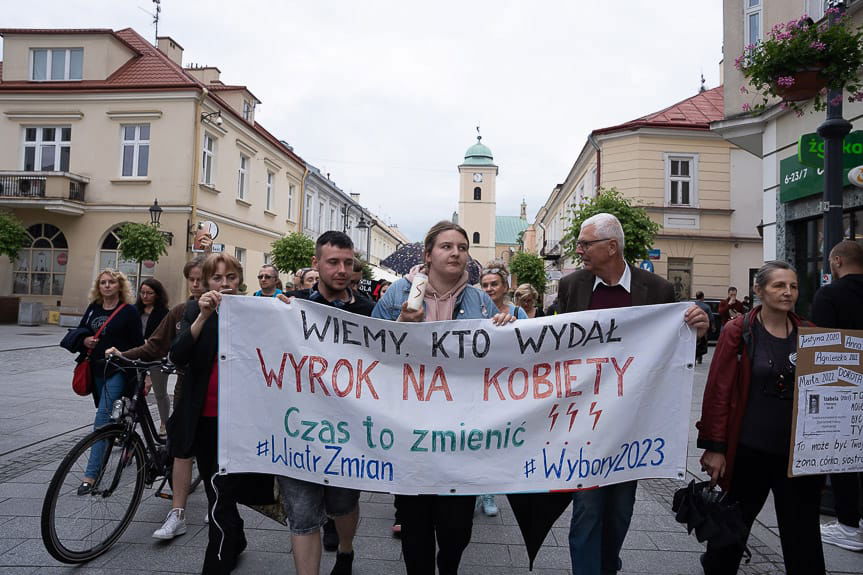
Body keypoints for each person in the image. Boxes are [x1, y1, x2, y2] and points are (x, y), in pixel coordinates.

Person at [558, 213, 708, 575]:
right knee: (588, 506)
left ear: (612, 247)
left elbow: (677, 342)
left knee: (621, 508)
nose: (579, 249)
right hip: (585, 419)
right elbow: (554, 340)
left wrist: (700, 328)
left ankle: (608, 565)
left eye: (585, 243)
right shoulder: (572, 285)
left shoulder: (655, 289)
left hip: (632, 421)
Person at [373, 220, 516, 575]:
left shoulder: (479, 299)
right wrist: (401, 327)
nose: (455, 253)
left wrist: (506, 331)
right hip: (412, 430)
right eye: (446, 246)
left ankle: (449, 566)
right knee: (416, 524)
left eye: (462, 247)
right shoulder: (397, 295)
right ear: (428, 254)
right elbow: (371, 349)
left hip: (461, 432)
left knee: (456, 529)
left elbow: (495, 360)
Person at [697, 261, 825, 575]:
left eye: (793, 286)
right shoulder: (738, 330)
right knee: (729, 536)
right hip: (748, 451)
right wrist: (715, 447)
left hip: (796, 458)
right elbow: (718, 390)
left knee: (804, 539)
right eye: (779, 285)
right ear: (759, 290)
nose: (788, 292)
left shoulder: (810, 333)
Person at [276, 231, 374, 575]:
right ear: (316, 264)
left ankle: (345, 550)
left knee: (344, 503)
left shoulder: (368, 311)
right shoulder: (290, 306)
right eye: (333, 262)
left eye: (348, 263)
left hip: (347, 429)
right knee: (302, 515)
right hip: (298, 428)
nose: (342, 269)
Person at [171, 253, 276, 574]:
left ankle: (216, 559)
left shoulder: (251, 310)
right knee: (218, 487)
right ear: (205, 282)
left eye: (230, 277)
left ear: (239, 279)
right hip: (203, 417)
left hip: (238, 419)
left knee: (224, 488)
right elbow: (178, 355)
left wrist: (285, 307)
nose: (225, 284)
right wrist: (202, 317)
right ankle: (234, 536)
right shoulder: (192, 311)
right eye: (217, 278)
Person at [108, 256, 206, 540]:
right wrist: (123, 355)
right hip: (186, 387)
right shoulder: (179, 311)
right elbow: (154, 345)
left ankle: (219, 505)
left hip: (215, 390)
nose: (197, 284)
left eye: (202, 278)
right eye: (192, 279)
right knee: (180, 445)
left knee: (212, 447)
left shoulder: (227, 310)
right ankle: (178, 513)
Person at [811, 240, 863, 552]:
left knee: (844, 453)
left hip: (844, 388)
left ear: (838, 261)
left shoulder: (829, 295)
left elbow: (823, 348)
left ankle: (848, 526)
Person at [76, 269, 143, 495]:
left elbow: (138, 343)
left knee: (102, 419)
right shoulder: (94, 308)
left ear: (119, 286)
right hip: (95, 369)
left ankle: (91, 475)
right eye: (103, 282)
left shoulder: (129, 312)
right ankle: (130, 442)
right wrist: (84, 339)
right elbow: (81, 331)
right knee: (113, 414)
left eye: (111, 282)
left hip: (117, 370)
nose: (106, 286)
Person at [476, 262, 527, 517]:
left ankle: (488, 492)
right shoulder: (474, 310)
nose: (489, 289)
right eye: (484, 285)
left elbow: (530, 344)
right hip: (476, 385)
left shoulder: (517, 311)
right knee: (475, 440)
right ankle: (472, 489)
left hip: (506, 386)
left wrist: (514, 325)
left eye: (494, 284)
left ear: (505, 286)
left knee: (495, 442)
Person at [135, 278, 171, 436]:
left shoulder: (164, 313)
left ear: (157, 294)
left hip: (157, 358)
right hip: (136, 356)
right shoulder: (134, 310)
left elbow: (167, 338)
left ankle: (164, 422)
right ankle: (127, 424)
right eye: (142, 293)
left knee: (160, 393)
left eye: (149, 293)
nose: (145, 296)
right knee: (133, 392)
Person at [693, 291, 712, 365]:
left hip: (692, 328)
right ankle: (699, 358)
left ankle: (693, 358)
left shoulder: (692, 305)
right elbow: (711, 318)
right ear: (703, 297)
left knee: (693, 344)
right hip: (702, 328)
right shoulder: (706, 306)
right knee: (702, 344)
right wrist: (712, 326)